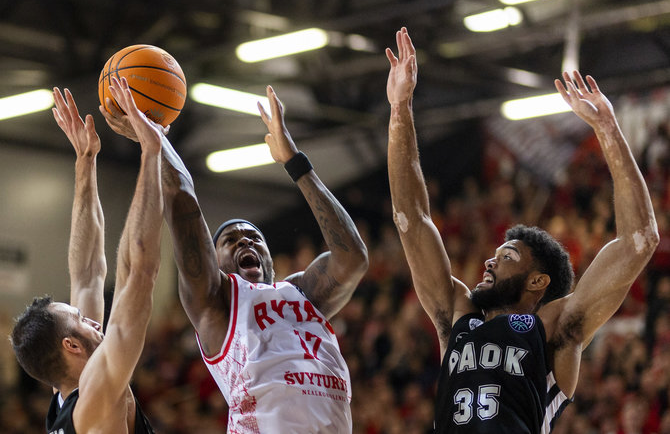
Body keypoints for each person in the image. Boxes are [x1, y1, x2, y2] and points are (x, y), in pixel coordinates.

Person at [385, 27, 659, 433]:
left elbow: (639, 242)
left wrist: (608, 131)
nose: (490, 259)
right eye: (498, 252)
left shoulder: (554, 330)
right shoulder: (458, 315)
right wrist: (400, 107)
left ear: (537, 281)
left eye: (508, 256)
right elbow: (411, 219)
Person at [101, 84, 369, 432]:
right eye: (231, 240)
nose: (246, 241)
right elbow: (182, 199)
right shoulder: (217, 301)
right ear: (214, 262)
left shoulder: (302, 293)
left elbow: (353, 258)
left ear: (271, 258)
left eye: (255, 238)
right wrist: (154, 141)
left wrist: (295, 163)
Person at [10, 76, 163, 433]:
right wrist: (151, 151)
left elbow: (87, 274)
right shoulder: (97, 396)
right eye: (80, 319)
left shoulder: (65, 401)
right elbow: (139, 274)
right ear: (71, 345)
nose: (94, 320)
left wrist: (85, 161)